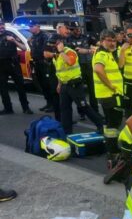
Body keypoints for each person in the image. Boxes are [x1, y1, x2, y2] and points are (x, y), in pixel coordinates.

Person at [48, 33, 103, 134]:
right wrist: (59, 84)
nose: (51, 46)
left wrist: (61, 51)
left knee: (83, 106)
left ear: (60, 43)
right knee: (64, 110)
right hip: (64, 85)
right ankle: (67, 132)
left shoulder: (69, 52)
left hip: (74, 84)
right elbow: (60, 71)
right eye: (51, 44)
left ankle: (101, 124)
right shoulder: (56, 56)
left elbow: (70, 62)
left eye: (53, 44)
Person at [93, 29, 124, 162]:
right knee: (113, 124)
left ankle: (111, 149)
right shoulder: (102, 54)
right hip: (110, 95)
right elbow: (98, 70)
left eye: (114, 40)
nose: (112, 43)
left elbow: (119, 66)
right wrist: (111, 86)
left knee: (110, 124)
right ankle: (113, 152)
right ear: (102, 41)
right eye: (109, 40)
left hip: (110, 95)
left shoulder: (108, 53)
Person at [0, 20, 32, 115]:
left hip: (13, 63)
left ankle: (26, 108)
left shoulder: (11, 35)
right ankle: (8, 108)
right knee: (3, 88)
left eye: (2, 25)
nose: (2, 27)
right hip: (1, 65)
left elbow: (24, 48)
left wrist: (14, 40)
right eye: (0, 26)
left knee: (20, 86)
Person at [67, 25, 98, 114]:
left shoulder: (86, 37)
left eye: (79, 29)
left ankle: (95, 111)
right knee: (80, 92)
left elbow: (96, 43)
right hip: (78, 67)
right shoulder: (68, 40)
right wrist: (88, 51)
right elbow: (76, 50)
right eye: (75, 29)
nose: (78, 30)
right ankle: (82, 112)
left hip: (88, 66)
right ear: (71, 30)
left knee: (92, 91)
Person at [28, 21, 54, 112]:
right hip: (37, 63)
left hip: (44, 63)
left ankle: (53, 104)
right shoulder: (33, 37)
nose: (30, 28)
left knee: (48, 84)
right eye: (29, 26)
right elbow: (32, 49)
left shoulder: (44, 36)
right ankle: (48, 103)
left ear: (38, 26)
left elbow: (44, 50)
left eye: (32, 26)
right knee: (42, 84)